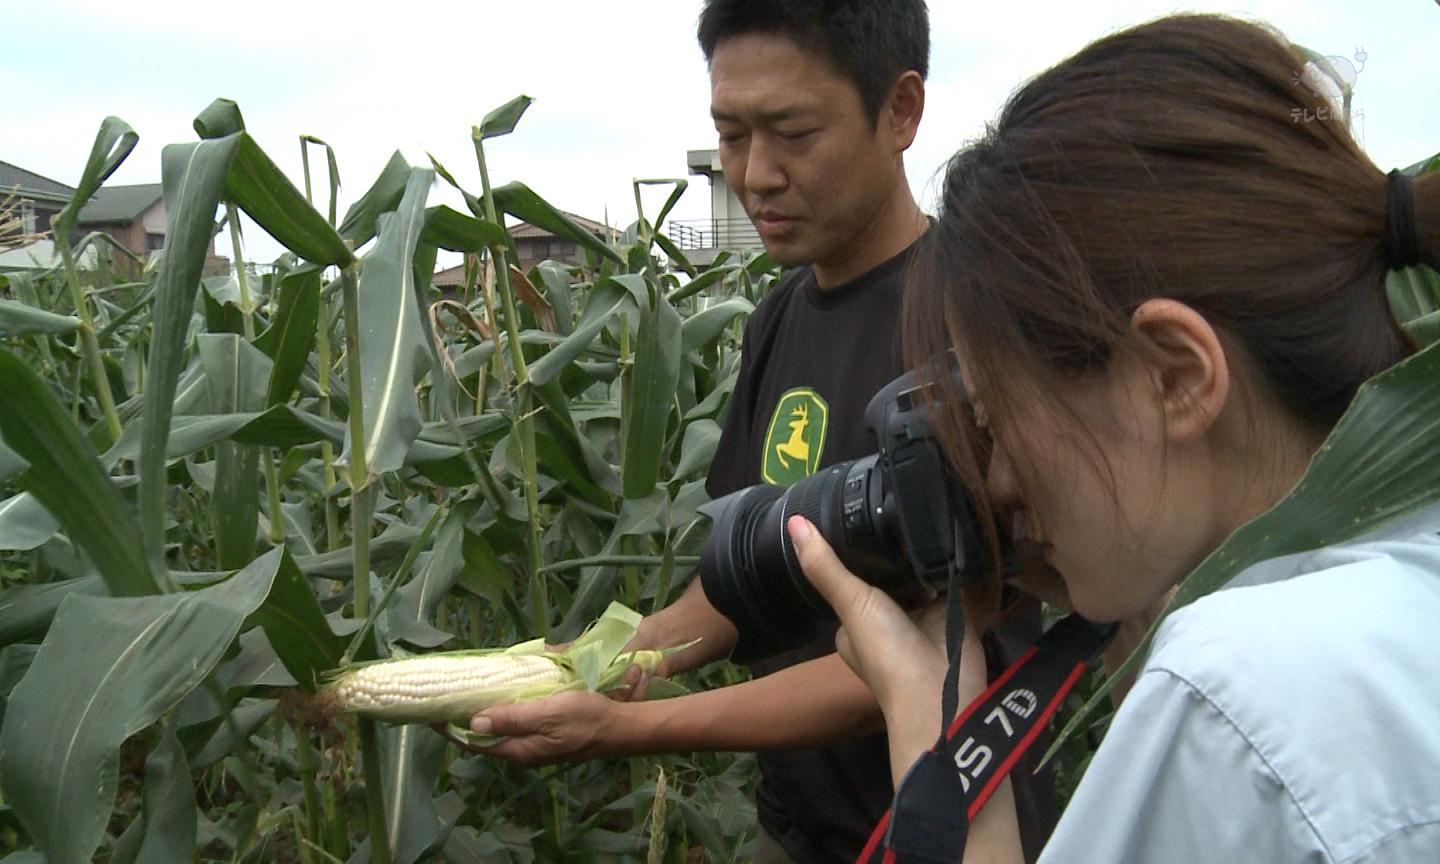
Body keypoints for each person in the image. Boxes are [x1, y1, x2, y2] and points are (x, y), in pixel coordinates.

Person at [789, 14, 1440, 863]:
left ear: (1174, 375)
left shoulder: (1237, 698)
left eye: (993, 416)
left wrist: (932, 718)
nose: (998, 480)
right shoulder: (1396, 589)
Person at [468, 2, 1056, 861]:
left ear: (901, 111)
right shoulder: (778, 318)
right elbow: (747, 578)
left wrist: (628, 728)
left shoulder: (969, 325)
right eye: (731, 134)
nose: (755, 174)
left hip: (949, 832)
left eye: (791, 133)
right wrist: (601, 661)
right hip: (793, 833)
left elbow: (924, 659)